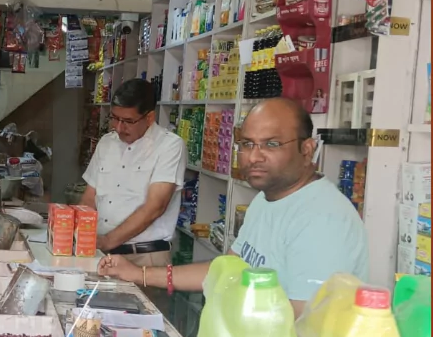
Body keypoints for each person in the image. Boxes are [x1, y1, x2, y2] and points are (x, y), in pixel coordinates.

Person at [99, 97, 369, 318]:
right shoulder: (267, 199)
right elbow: (227, 270)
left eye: (271, 144)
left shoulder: (323, 220)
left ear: (307, 149)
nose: (254, 156)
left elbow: (304, 325)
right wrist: (138, 274)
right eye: (247, 144)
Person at [80, 78, 186, 268]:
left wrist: (107, 241)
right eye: (114, 118)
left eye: (128, 121)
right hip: (102, 253)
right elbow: (90, 198)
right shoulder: (106, 142)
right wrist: (80, 233)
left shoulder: (169, 146)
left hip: (145, 257)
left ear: (149, 117)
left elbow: (155, 207)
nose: (119, 127)